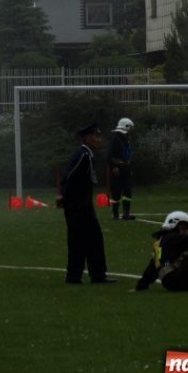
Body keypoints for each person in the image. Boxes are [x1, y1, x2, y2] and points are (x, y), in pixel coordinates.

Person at [57, 122, 114, 285]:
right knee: (79, 239)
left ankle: (96, 274)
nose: (98, 139)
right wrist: (62, 196)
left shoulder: (88, 155)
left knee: (92, 238)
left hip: (84, 204)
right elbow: (69, 176)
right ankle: (75, 276)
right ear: (87, 138)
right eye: (95, 136)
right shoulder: (83, 155)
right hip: (77, 206)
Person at [107, 117, 135, 220]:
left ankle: (126, 213)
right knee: (116, 191)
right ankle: (115, 214)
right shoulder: (115, 139)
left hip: (126, 168)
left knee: (127, 190)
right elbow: (109, 155)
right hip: (117, 169)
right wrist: (114, 167)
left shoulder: (126, 139)